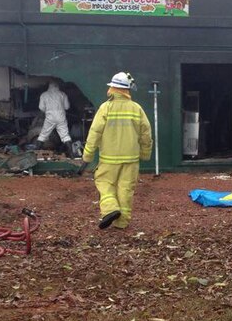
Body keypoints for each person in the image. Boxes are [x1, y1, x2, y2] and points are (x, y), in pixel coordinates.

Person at [81, 72, 153, 229]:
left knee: (103, 182)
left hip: (109, 158)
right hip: (131, 158)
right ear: (127, 90)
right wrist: (145, 153)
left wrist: (87, 155)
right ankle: (122, 222)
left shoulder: (105, 108)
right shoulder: (137, 109)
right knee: (126, 188)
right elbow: (146, 133)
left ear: (113, 88)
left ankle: (110, 209)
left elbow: (95, 132)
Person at [36, 81, 73, 156]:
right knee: (65, 135)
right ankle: (71, 155)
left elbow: (41, 108)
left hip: (50, 118)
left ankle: (35, 154)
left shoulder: (44, 95)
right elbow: (67, 107)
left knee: (43, 135)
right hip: (61, 117)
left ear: (49, 86)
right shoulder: (62, 94)